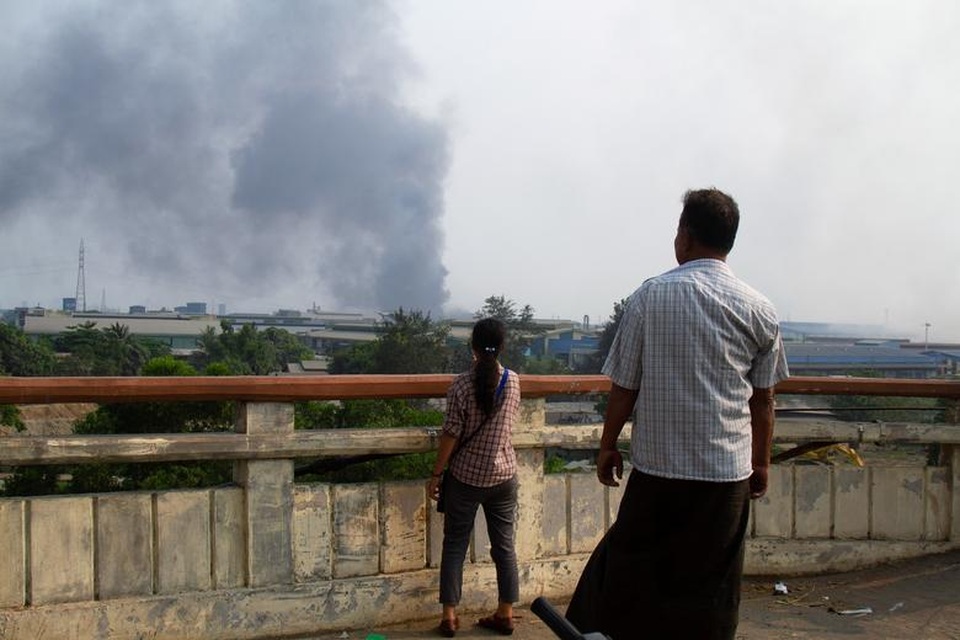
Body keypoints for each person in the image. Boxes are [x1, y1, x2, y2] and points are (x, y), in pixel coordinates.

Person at [565, 188, 790, 640]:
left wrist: (608, 445)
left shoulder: (651, 296)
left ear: (685, 236)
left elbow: (625, 385)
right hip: (726, 477)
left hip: (658, 474)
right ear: (729, 240)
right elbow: (763, 401)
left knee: (630, 579)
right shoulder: (760, 309)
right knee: (711, 587)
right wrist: (761, 462)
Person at [429, 317, 522, 638]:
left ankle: (450, 617)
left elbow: (451, 433)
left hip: (466, 478)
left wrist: (436, 473)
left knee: (454, 544)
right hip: (504, 476)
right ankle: (506, 613)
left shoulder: (460, 385)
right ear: (502, 346)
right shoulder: (513, 381)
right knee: (504, 547)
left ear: (472, 346)